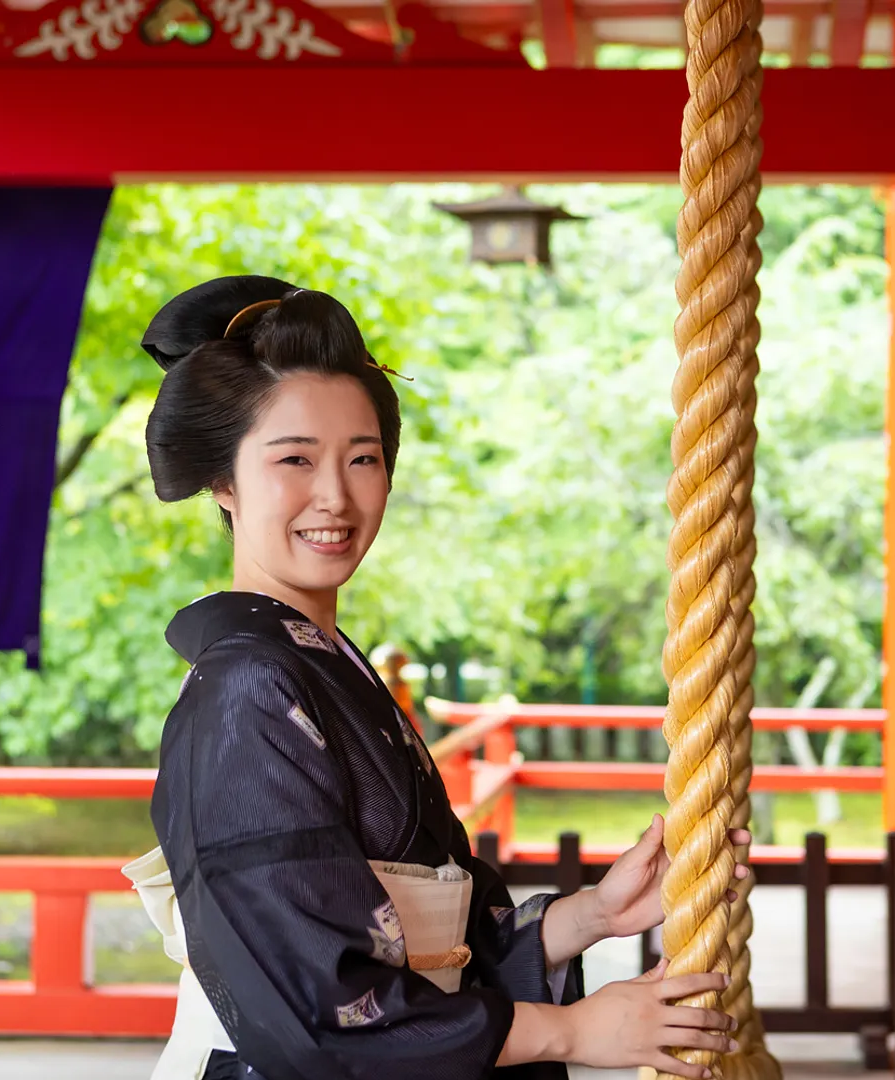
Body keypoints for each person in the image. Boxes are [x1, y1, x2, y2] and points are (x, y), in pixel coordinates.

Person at [123, 276, 753, 1080]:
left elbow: (430, 942)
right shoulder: (250, 689)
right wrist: (568, 1033)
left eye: (363, 459)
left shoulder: (321, 667)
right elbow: (323, 1009)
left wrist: (592, 915)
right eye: (294, 459)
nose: (336, 496)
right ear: (222, 482)